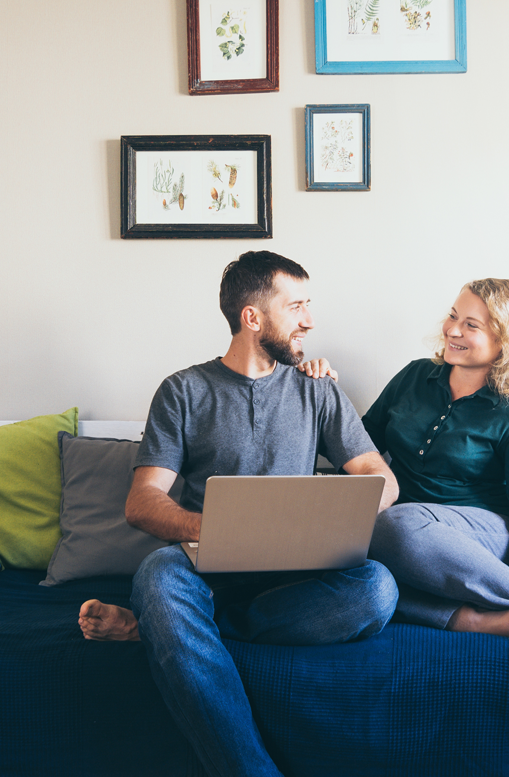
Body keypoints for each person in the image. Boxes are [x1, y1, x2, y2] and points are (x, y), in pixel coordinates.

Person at [78, 250, 399, 777]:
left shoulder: (317, 389)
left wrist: (335, 508)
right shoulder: (184, 391)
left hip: (298, 570)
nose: (309, 320)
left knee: (378, 589)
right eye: (296, 306)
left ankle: (165, 632)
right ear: (253, 317)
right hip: (208, 563)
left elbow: (382, 481)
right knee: (157, 574)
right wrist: (215, 528)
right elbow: (142, 502)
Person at [312, 278, 509, 651]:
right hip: (404, 538)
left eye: (472, 325)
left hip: (481, 537)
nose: (452, 330)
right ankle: (475, 621)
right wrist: (321, 391)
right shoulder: (414, 376)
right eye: (453, 317)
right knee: (361, 571)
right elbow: (359, 447)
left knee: (395, 524)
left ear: (507, 341)